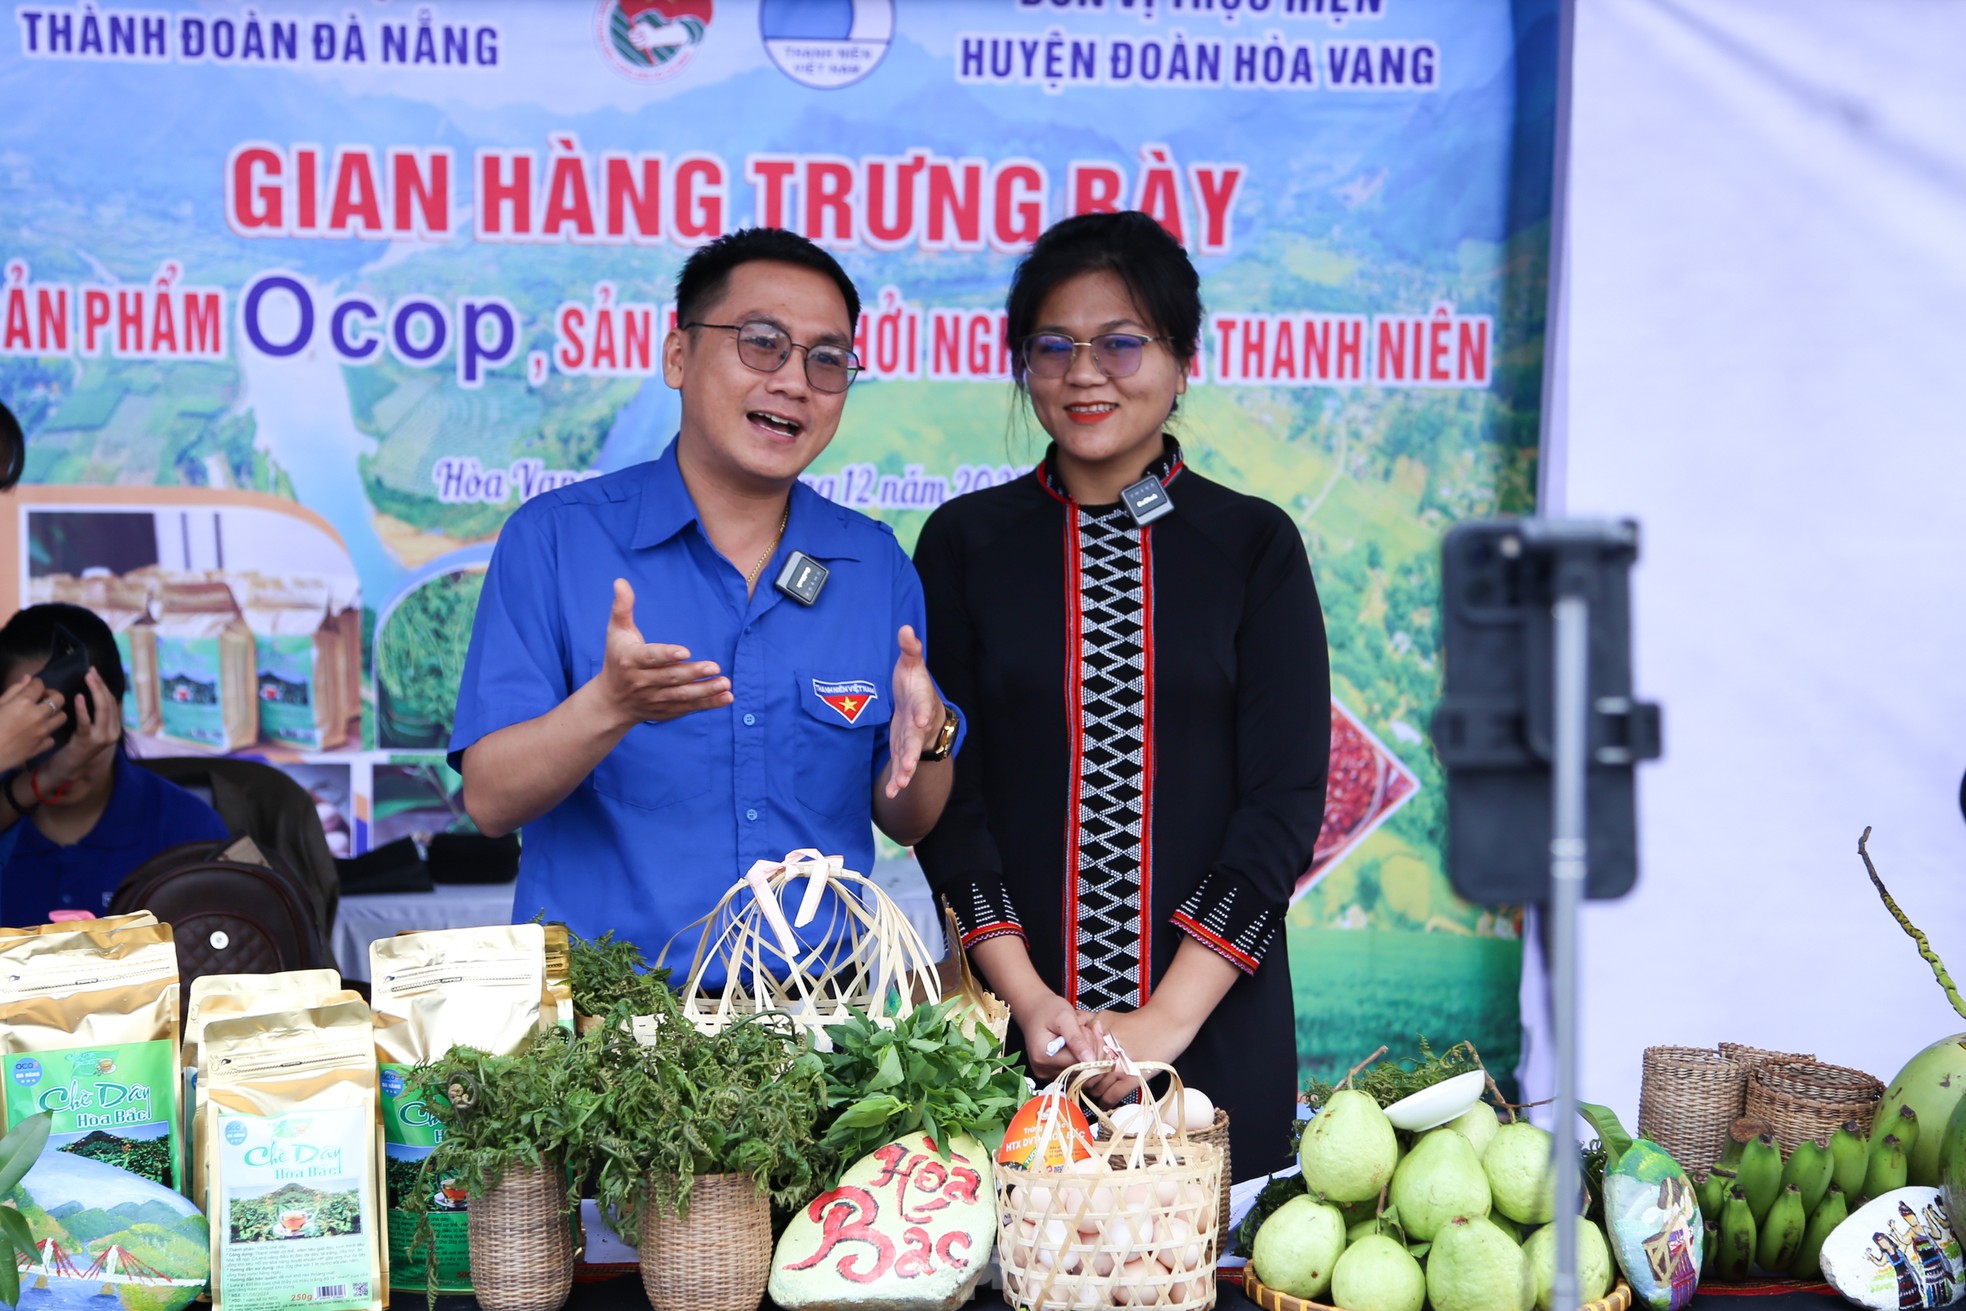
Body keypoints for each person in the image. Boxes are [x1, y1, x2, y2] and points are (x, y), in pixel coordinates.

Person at [912, 210, 1329, 1173]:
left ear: (1183, 358)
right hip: (1010, 1039)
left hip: (1211, 1039)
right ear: (1023, 365)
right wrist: (1029, 1003)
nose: (1084, 371)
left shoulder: (1251, 545)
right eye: (1053, 346)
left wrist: (1162, 1023)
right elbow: (951, 804)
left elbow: (1282, 805)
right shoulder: (967, 544)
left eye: (1121, 342)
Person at [451, 227, 961, 962]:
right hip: (608, 1030)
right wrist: (610, 705)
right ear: (678, 355)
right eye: (761, 342)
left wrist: (933, 735)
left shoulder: (872, 564)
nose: (793, 380)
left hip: (822, 1025)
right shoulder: (556, 542)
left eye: (826, 360)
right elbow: (491, 803)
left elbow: (905, 818)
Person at [0, 603, 229, 925]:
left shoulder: (187, 827)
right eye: (38, 715)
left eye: (82, 710)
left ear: (117, 706)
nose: (62, 743)